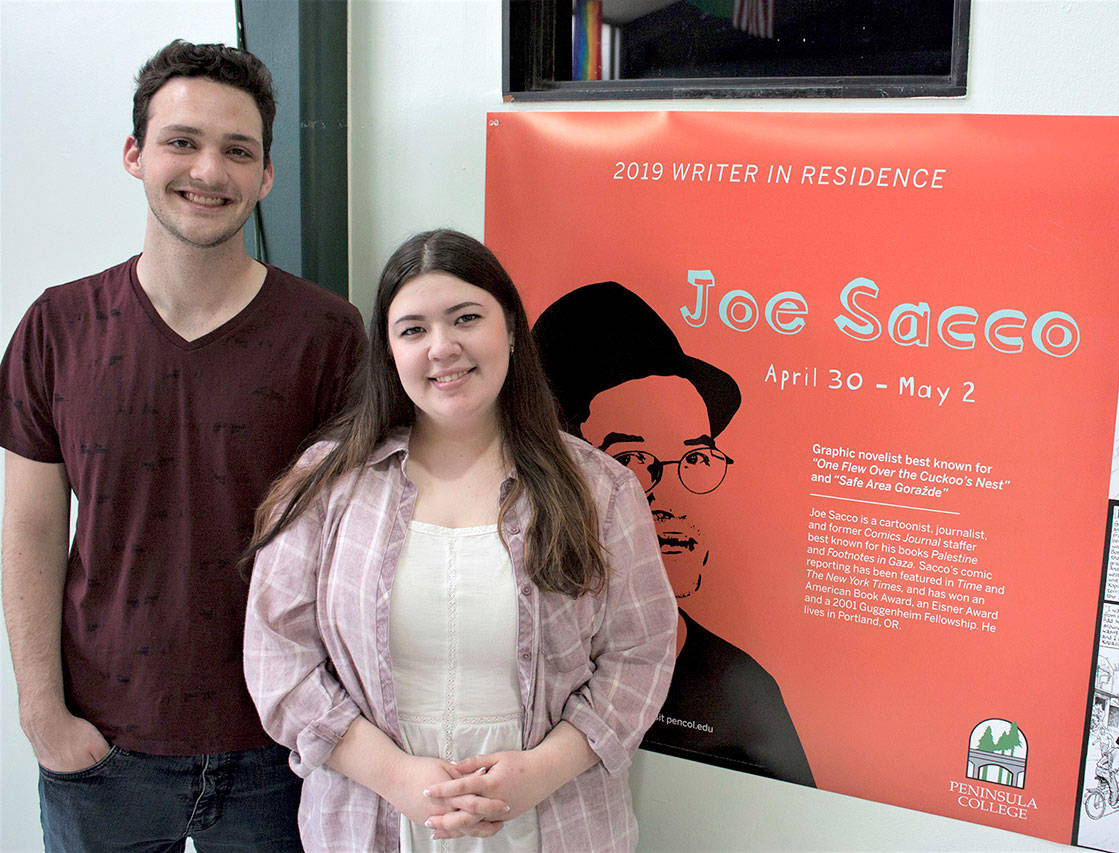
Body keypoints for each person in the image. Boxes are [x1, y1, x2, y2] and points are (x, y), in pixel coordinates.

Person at [0, 40, 366, 850]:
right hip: (103, 748)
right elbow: (28, 528)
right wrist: (40, 710)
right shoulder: (56, 328)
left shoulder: (329, 335)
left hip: (284, 745)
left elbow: (361, 538)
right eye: (182, 141)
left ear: (266, 175)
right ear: (135, 154)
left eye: (238, 150)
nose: (210, 169)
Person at [242, 230, 677, 851]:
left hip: (553, 820)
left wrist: (542, 771)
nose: (442, 348)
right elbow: (277, 657)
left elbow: (641, 654)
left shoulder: (600, 489)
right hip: (372, 821)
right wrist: (395, 777)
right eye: (413, 329)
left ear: (509, 329)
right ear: (388, 351)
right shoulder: (326, 484)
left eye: (466, 318)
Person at [532, 281, 816, 787]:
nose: (669, 498)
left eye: (695, 459)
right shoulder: (518, 652)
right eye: (631, 461)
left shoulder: (740, 688)